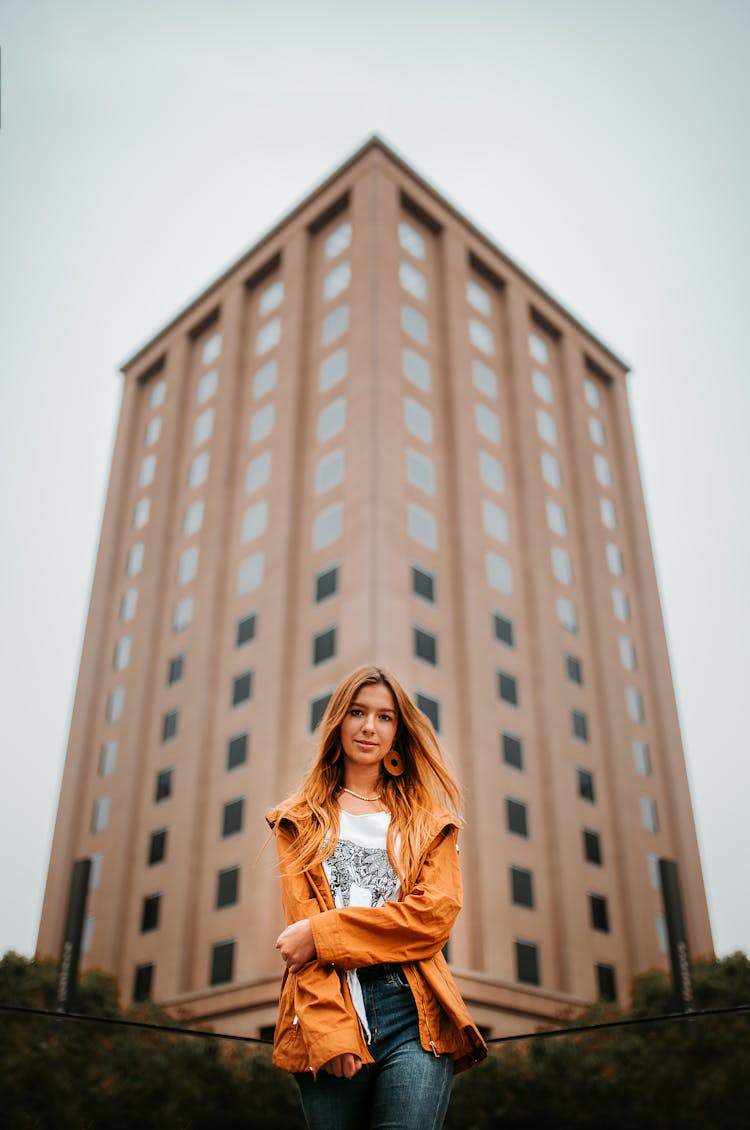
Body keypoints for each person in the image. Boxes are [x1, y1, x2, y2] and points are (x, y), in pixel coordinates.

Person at [266, 664, 487, 1130]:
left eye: (385, 717)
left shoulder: (430, 822)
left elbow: (432, 919)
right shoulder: (298, 821)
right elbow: (300, 945)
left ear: (398, 731)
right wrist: (329, 1033)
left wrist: (323, 932)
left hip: (415, 1011)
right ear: (338, 723)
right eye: (357, 712)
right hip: (330, 1004)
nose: (370, 727)